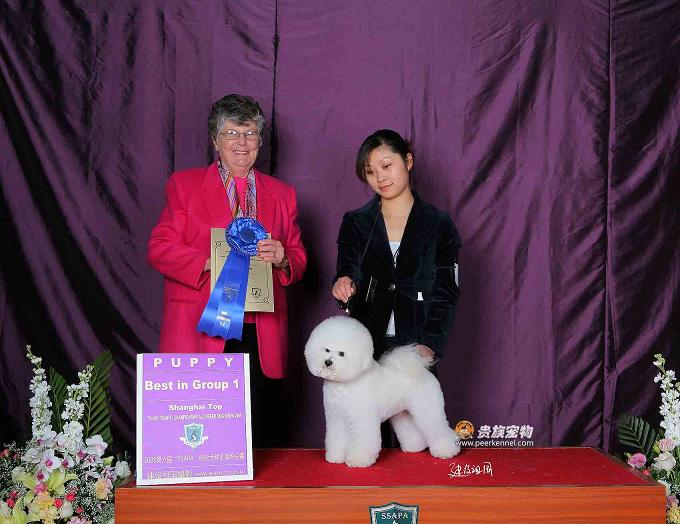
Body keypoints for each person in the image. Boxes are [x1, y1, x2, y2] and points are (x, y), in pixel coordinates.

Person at [148, 94, 307, 446]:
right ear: (215, 140)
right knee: (204, 437)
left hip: (261, 330)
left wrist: (283, 257)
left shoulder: (283, 194)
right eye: (232, 133)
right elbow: (159, 249)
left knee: (258, 435)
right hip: (203, 326)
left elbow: (298, 256)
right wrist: (209, 262)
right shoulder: (184, 186)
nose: (242, 142)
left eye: (250, 133)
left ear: (260, 142)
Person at [332, 129, 461, 363]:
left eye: (386, 166)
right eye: (370, 172)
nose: (380, 177)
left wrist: (431, 343)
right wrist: (342, 284)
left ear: (408, 161)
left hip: (417, 346)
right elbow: (347, 272)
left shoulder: (439, 224)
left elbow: (446, 291)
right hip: (365, 346)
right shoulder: (355, 222)